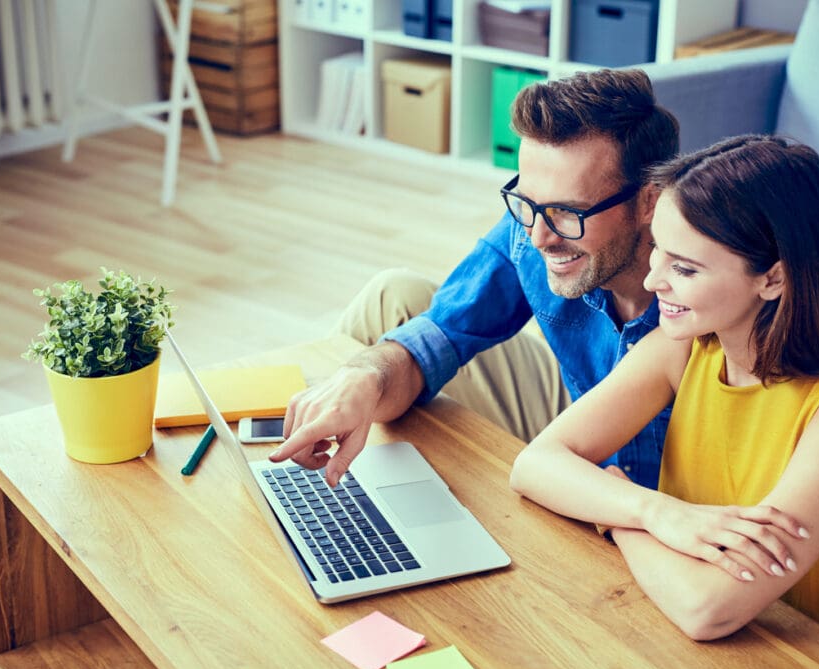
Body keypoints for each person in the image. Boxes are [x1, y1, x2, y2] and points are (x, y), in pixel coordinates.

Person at [509, 134, 819, 669]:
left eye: (685, 269)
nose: (652, 280)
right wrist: (655, 512)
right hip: (727, 646)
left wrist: (616, 512)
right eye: (658, 253)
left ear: (773, 277)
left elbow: (709, 608)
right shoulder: (687, 346)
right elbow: (536, 464)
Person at [270, 68, 682, 489]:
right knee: (395, 296)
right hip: (575, 410)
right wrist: (365, 378)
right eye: (527, 203)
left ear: (649, 200)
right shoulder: (534, 229)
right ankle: (321, 464)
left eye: (568, 212)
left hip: (669, 489)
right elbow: (443, 331)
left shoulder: (708, 285)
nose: (540, 237)